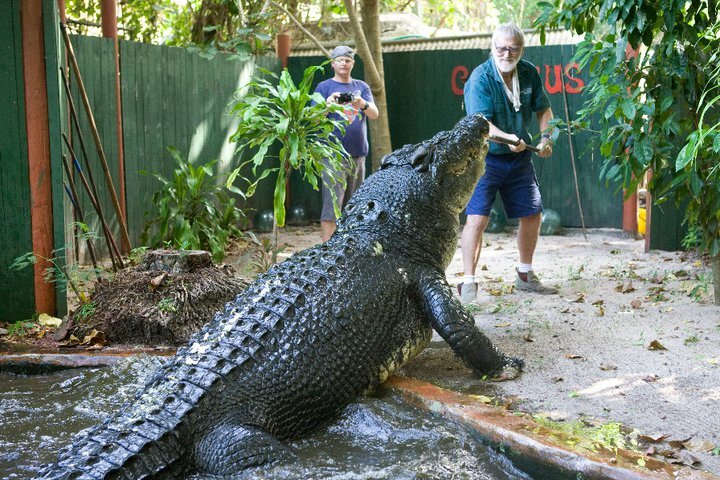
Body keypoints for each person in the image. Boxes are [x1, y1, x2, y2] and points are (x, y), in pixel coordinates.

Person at [460, 23, 558, 304]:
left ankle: (525, 275)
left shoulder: (528, 72)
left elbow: (544, 110)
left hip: (520, 157)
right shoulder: (480, 78)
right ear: (493, 47)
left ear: (521, 49)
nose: (506, 53)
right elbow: (481, 125)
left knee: (532, 214)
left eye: (512, 48)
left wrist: (547, 137)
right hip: (484, 158)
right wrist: (507, 138)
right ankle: (468, 283)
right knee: (477, 219)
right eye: (500, 48)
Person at [314, 45, 379, 242]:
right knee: (332, 207)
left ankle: (350, 250)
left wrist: (362, 103)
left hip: (358, 156)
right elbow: (314, 120)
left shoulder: (362, 87)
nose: (344, 63)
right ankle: (328, 253)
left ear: (353, 63)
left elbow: (375, 114)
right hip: (332, 157)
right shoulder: (324, 87)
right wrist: (328, 104)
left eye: (348, 60)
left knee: (355, 206)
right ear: (333, 63)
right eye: (340, 60)